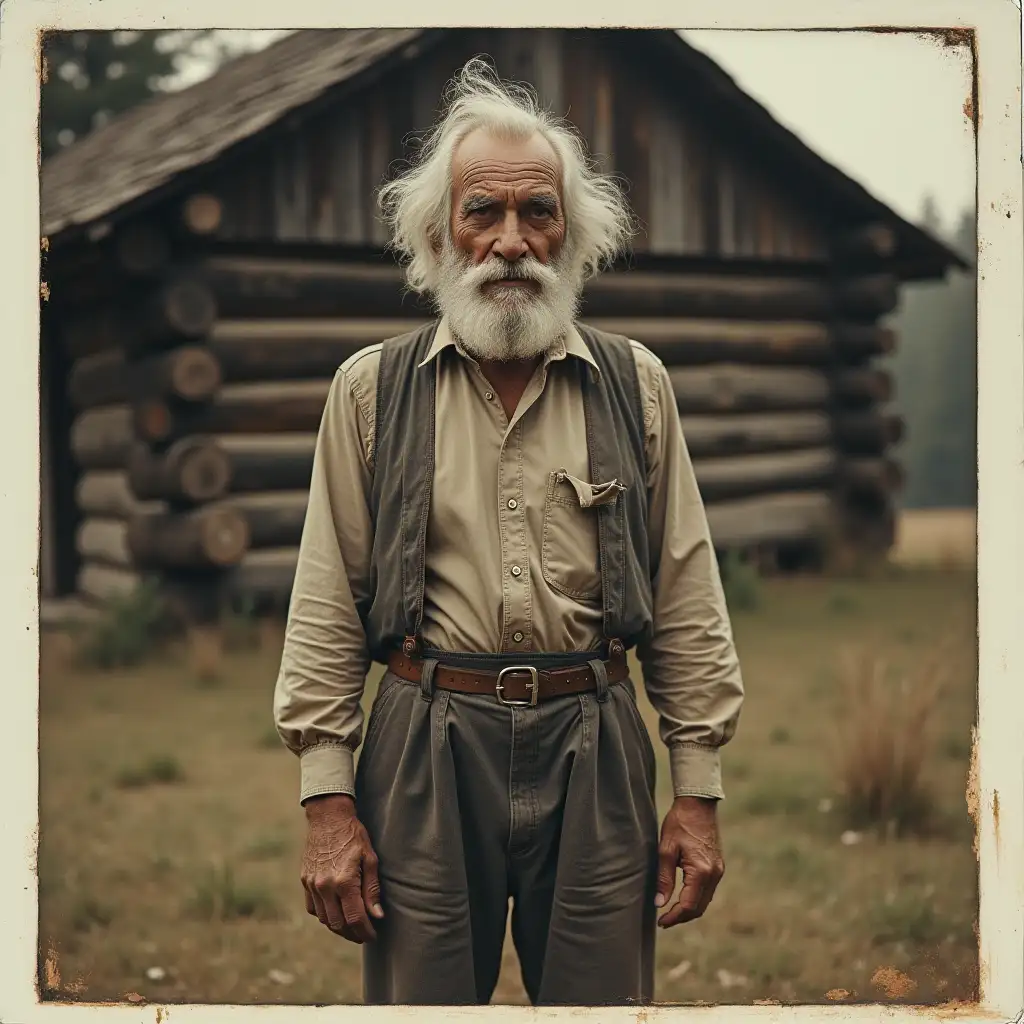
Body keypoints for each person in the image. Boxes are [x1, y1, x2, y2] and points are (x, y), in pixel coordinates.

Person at [273, 57, 744, 1006]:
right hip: (424, 741)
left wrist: (696, 789)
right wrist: (329, 803)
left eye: (539, 212)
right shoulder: (370, 388)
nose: (511, 241)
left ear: (573, 233)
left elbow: (688, 595)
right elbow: (325, 601)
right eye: (481, 213)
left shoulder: (635, 382)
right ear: (439, 234)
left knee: (601, 1003)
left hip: (600, 739)